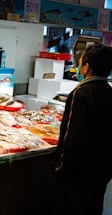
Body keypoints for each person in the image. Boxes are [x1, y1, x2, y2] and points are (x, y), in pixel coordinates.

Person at [50, 43, 112, 215]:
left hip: (78, 176)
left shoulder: (82, 93)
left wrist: (60, 168)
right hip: (101, 174)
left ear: (87, 67)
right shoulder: (108, 91)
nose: (78, 67)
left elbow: (75, 138)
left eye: (80, 63)